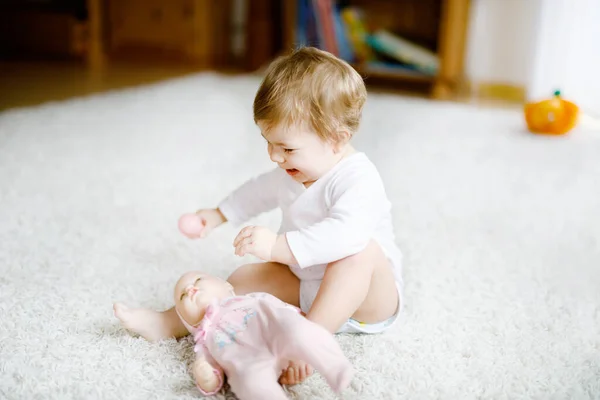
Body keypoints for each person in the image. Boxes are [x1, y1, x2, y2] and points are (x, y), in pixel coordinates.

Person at [114, 46, 403, 386]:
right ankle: (168, 322)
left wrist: (278, 247)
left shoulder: (358, 179)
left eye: (287, 148)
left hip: (367, 300)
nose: (275, 157)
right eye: (269, 142)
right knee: (245, 277)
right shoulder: (293, 170)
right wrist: (219, 214)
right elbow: (258, 191)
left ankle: (310, 338)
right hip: (306, 282)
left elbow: (345, 236)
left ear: (337, 140)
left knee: (361, 252)